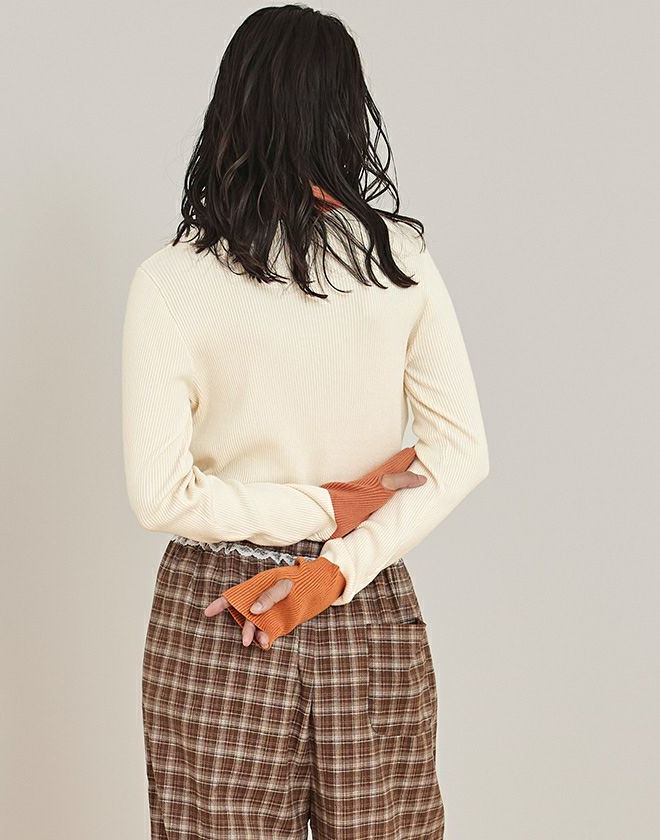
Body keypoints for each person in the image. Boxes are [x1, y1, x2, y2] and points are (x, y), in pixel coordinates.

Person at [121, 4, 489, 838]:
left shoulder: (170, 281)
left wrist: (322, 528)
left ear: (231, 112)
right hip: (362, 592)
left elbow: (162, 497)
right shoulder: (398, 264)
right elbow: (462, 454)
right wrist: (333, 534)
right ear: (347, 117)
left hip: (220, 611)